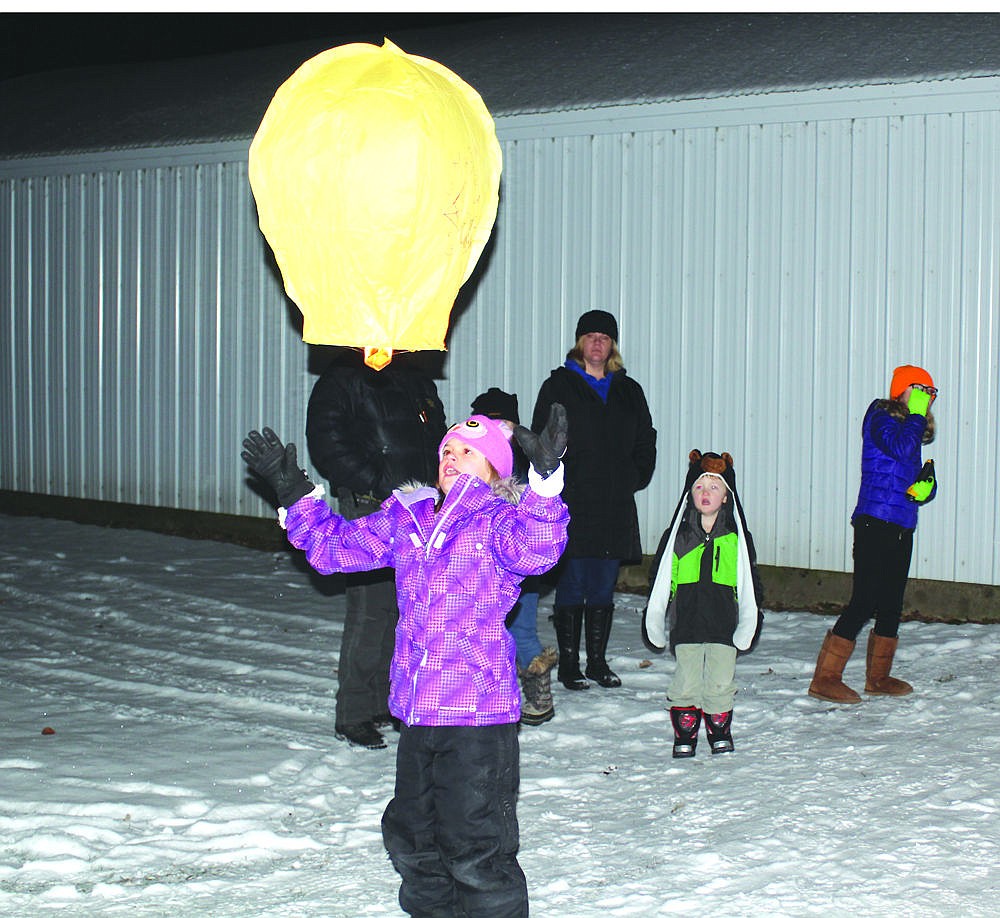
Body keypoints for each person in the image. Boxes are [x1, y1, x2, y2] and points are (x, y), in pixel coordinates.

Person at [241, 405, 569, 918]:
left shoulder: (500, 522)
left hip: (477, 718)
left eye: (468, 452)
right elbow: (335, 548)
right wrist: (293, 493)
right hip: (418, 711)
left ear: (496, 470)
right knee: (413, 837)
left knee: (474, 844)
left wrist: (546, 485)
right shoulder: (409, 516)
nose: (452, 458)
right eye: (446, 450)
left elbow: (539, 550)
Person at [306, 349, 446, 750]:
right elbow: (327, 442)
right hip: (371, 505)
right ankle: (352, 713)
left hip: (416, 507)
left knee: (403, 607)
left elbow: (433, 438)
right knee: (370, 610)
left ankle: (383, 700)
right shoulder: (343, 379)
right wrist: (373, 482)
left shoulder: (415, 379)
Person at [531, 309, 656, 691]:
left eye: (604, 337)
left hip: (614, 503)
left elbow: (645, 438)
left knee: (603, 585)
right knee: (572, 583)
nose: (597, 342)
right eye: (590, 336)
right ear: (579, 342)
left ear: (612, 345)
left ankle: (598, 663)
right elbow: (542, 437)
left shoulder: (628, 389)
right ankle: (569, 665)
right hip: (573, 502)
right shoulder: (559, 386)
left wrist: (635, 475)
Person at [808, 365, 938, 704]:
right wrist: (917, 415)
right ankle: (825, 678)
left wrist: (924, 488)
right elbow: (901, 448)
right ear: (902, 390)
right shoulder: (881, 416)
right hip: (874, 521)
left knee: (892, 601)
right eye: (921, 390)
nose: (927, 398)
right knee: (865, 600)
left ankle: (877, 677)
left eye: (931, 393)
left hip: (901, 523)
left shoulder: (909, 424)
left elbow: (904, 464)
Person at [643, 450, 763, 757]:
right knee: (686, 679)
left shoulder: (735, 538)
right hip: (688, 622)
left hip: (724, 624)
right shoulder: (679, 537)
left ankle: (719, 728)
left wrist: (750, 619)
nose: (706, 493)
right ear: (689, 495)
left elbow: (750, 582)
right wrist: (655, 617)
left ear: (726, 497)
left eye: (714, 487)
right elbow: (661, 579)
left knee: (721, 681)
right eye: (699, 487)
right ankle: (685, 731)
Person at [471, 386, 557, 726]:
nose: (498, 431)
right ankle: (487, 694)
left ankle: (538, 693)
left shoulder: (526, 461)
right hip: (479, 567)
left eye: (504, 423)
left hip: (519, 569)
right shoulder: (469, 462)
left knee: (522, 630)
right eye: (489, 423)